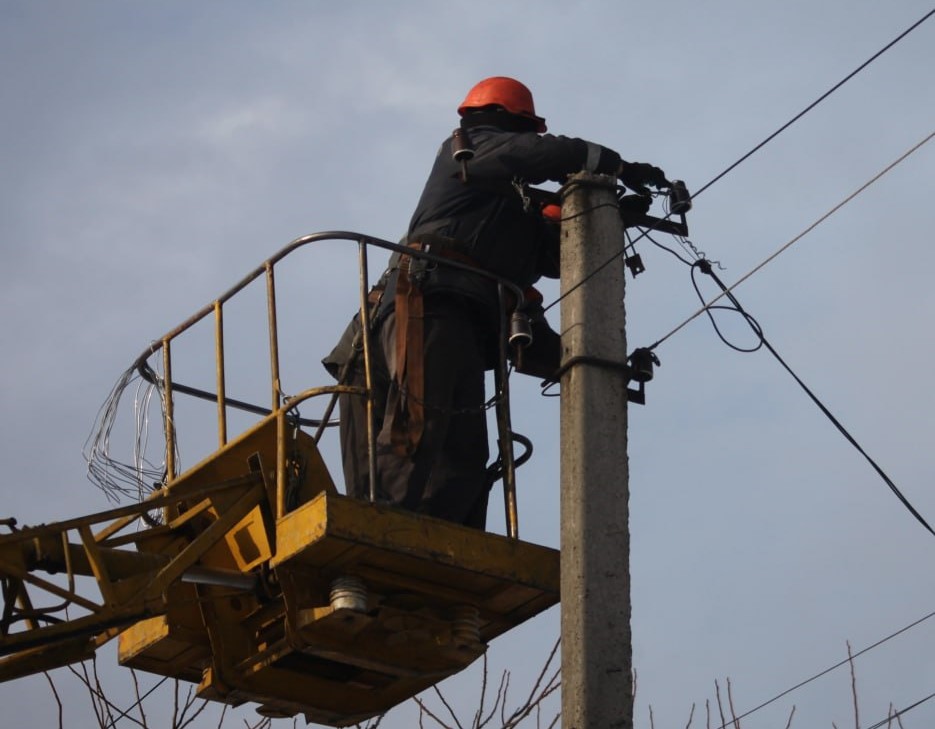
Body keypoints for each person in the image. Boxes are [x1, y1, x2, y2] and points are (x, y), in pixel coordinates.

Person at [323, 76, 668, 529]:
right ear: (512, 121)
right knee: (413, 433)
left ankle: (444, 553)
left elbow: (531, 332)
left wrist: (599, 370)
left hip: (448, 322)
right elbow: (533, 154)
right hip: (424, 308)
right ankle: (379, 539)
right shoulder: (467, 150)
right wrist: (614, 166)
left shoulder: (497, 247)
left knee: (462, 454)